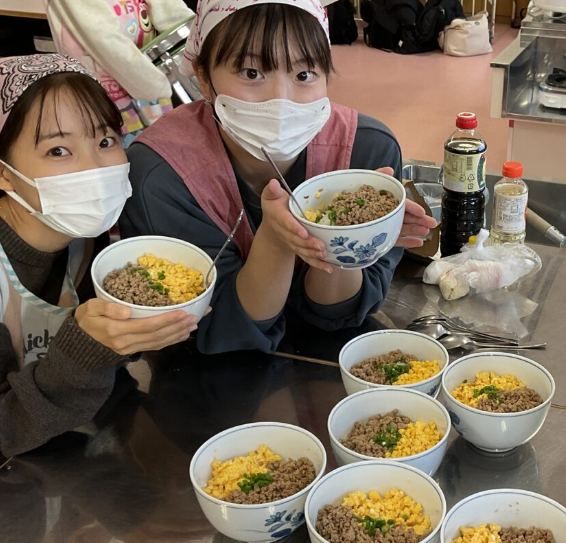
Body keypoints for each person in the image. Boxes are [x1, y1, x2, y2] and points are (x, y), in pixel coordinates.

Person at [0, 54, 199, 542]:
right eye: (59, 150)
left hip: (51, 434)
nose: (96, 167)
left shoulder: (79, 234)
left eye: (105, 141)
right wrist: (88, 351)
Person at [120, 0, 436, 355]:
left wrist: (346, 233)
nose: (280, 101)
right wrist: (275, 239)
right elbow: (219, 323)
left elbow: (339, 313)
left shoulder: (366, 152)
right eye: (251, 73)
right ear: (204, 77)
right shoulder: (161, 175)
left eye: (303, 75)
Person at [46, 0, 194, 146]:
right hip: (116, 86)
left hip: (152, 73)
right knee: (133, 147)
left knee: (167, 142)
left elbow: (170, 10)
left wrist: (194, 38)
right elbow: (102, 38)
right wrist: (154, 85)